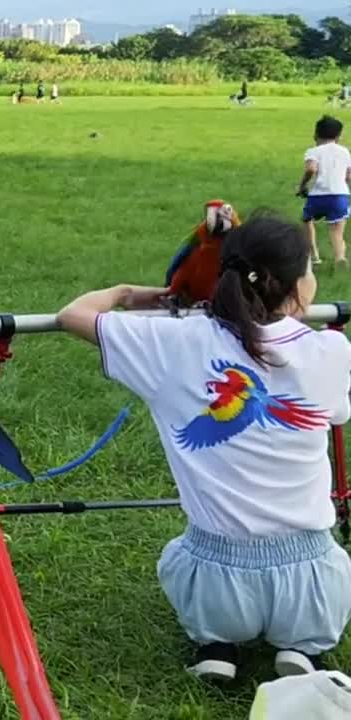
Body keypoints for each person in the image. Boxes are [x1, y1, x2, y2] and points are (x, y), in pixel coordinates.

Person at [56, 213, 351, 683]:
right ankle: (301, 649)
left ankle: (216, 644)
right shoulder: (331, 351)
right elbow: (334, 413)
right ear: (297, 286)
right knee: (321, 574)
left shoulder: (175, 342)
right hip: (312, 583)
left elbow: (72, 314)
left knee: (188, 558)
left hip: (217, 580)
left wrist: (125, 294)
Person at [297, 114, 351, 270]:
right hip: (340, 195)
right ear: (339, 136)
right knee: (337, 230)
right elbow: (349, 176)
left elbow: (311, 168)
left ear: (316, 134)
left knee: (307, 219)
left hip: (318, 195)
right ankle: (340, 257)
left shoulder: (314, 151)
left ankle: (314, 256)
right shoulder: (345, 152)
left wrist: (302, 186)